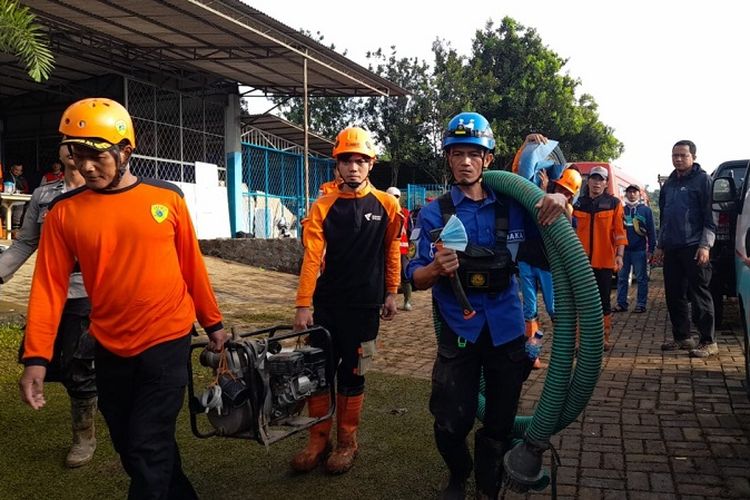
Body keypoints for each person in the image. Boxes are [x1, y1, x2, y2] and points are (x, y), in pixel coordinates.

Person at [18, 98, 228, 498]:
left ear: (126, 152)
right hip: (109, 343)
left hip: (166, 339)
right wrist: (36, 358)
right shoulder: (64, 213)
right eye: (76, 156)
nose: (86, 167)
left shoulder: (167, 199)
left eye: (96, 156)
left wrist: (213, 323)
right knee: (132, 445)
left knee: (147, 444)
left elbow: (192, 267)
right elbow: (49, 287)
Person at [406, 112, 566, 499]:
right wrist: (434, 268)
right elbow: (412, 275)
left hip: (507, 331)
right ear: (448, 158)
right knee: (449, 421)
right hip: (459, 333)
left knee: (498, 422)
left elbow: (557, 241)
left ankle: (488, 489)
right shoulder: (433, 213)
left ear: (488, 159)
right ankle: (459, 475)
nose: (465, 161)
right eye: (457, 153)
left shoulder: (514, 206)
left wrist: (562, 199)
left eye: (474, 154)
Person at [291, 126, 402, 475]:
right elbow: (311, 257)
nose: (353, 167)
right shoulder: (323, 205)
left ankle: (346, 442)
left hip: (366, 307)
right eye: (346, 160)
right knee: (318, 373)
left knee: (353, 374)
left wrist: (392, 292)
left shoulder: (388, 204)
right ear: (336, 164)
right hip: (326, 306)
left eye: (360, 161)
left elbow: (392, 251)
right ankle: (317, 440)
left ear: (371, 164)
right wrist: (303, 304)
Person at [8, 144, 95, 468]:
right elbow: (25, 243)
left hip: (89, 293)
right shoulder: (43, 196)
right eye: (67, 142)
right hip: (51, 293)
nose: (73, 150)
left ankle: (84, 436)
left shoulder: (101, 190)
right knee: (48, 360)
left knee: (81, 365)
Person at [653, 140, 717, 357]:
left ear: (694, 157)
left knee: (699, 294)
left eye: (683, 155)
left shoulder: (703, 181)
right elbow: (665, 217)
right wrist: (660, 245)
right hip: (672, 248)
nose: (678, 159)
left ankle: (708, 341)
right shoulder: (669, 183)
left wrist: (705, 245)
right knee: (674, 295)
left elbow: (711, 217)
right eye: (674, 155)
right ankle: (683, 338)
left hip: (695, 247)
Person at [572, 166, 627, 351]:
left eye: (601, 179)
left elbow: (620, 233)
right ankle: (582, 341)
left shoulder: (613, 203)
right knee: (582, 302)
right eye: (594, 179)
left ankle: (604, 338)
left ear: (605, 183)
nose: (597, 182)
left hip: (604, 261)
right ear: (589, 181)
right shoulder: (578, 203)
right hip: (580, 262)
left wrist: (619, 256)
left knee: (603, 300)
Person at [613, 184, 656, 314]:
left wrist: (651, 249)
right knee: (622, 278)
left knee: (642, 278)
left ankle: (641, 304)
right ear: (626, 194)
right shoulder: (621, 210)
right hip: (624, 250)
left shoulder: (645, 210)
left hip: (640, 250)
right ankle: (621, 303)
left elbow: (651, 231)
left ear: (639, 194)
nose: (632, 194)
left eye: (634, 192)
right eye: (629, 192)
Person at [386, 186, 413, 311]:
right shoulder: (383, 211)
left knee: (405, 275)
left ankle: (407, 301)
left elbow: (410, 232)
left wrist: (411, 249)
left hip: (402, 249)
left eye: (396, 196)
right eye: (392, 196)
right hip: (387, 249)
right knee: (385, 275)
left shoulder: (405, 213)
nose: (394, 199)